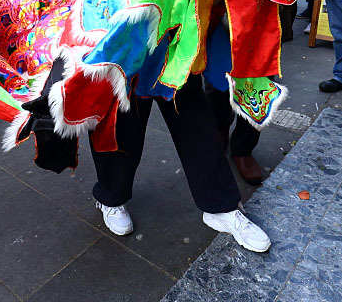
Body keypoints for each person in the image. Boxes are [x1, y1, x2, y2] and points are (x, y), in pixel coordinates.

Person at [89, 73, 271, 252]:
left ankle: (221, 206)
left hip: (171, 45)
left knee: (191, 112)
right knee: (120, 112)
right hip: (121, 48)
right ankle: (111, 196)